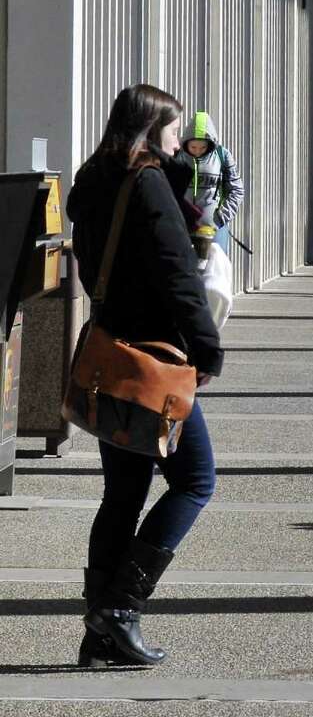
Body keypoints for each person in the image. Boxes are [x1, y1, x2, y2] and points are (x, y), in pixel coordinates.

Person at [67, 83, 224, 669]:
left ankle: (98, 630)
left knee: (123, 491)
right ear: (149, 126)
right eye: (171, 127)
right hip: (156, 359)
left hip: (113, 353)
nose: (178, 138)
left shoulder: (93, 178)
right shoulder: (148, 182)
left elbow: (92, 262)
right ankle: (122, 609)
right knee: (195, 481)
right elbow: (179, 276)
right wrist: (207, 348)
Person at [172, 110, 244, 254]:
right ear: (186, 142)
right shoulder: (177, 156)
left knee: (214, 273)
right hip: (182, 228)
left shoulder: (222, 155)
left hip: (214, 229)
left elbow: (237, 189)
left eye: (203, 147)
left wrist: (221, 217)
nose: (198, 151)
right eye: (193, 147)